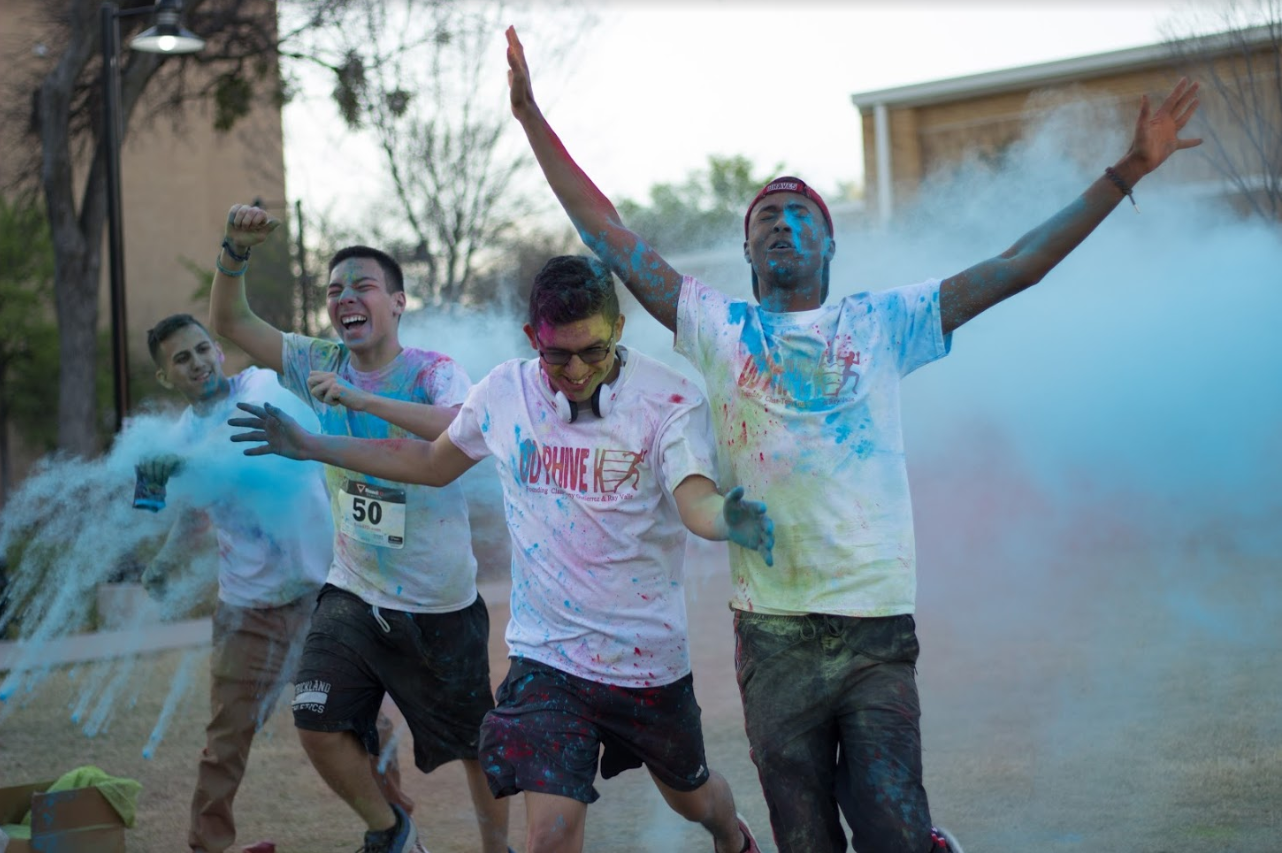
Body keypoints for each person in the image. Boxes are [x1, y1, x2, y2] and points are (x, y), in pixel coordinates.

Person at [503, 26, 1203, 853]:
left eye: (802, 214)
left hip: (874, 623)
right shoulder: (715, 326)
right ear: (746, 247)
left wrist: (1124, 172)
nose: (783, 224)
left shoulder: (885, 323)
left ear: (832, 243)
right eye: (767, 215)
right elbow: (608, 234)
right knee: (804, 840)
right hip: (772, 631)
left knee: (891, 831)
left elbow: (1018, 264)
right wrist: (530, 119)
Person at [228, 255, 774, 853]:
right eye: (556, 354)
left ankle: (732, 835)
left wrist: (725, 519)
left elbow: (695, 501)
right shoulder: (506, 392)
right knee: (549, 835)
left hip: (644, 660)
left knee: (693, 797)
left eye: (592, 351)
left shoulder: (669, 399)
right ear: (530, 339)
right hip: (548, 659)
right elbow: (430, 463)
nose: (575, 371)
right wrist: (312, 445)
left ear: (618, 328)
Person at [208, 214, 510, 853]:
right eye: (335, 289)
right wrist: (234, 252)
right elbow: (232, 323)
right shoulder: (317, 360)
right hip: (354, 590)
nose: (346, 296)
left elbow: (452, 433)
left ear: (398, 303)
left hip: (438, 601)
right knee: (316, 721)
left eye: (363, 285)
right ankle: (393, 832)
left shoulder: (433, 371)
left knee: (475, 746)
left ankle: (497, 848)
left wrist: (356, 402)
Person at [140, 313, 332, 853]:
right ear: (166, 377)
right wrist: (162, 560)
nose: (198, 362)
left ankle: (393, 828)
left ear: (219, 351)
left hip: (320, 597)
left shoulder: (260, 385)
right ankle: (208, 846)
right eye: (182, 359)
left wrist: (176, 462)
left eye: (203, 349)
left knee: (351, 724)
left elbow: (229, 448)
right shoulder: (180, 437)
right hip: (246, 609)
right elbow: (194, 515)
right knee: (224, 743)